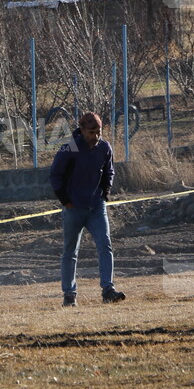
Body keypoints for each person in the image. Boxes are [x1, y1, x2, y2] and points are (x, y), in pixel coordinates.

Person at [49, 111, 125, 307]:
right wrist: (65, 201)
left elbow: (109, 171)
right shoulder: (69, 149)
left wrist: (105, 192)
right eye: (92, 131)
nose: (96, 135)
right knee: (70, 251)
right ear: (82, 130)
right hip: (74, 207)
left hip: (96, 206)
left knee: (105, 244)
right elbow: (55, 175)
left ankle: (108, 289)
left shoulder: (104, 148)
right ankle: (69, 294)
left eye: (98, 131)